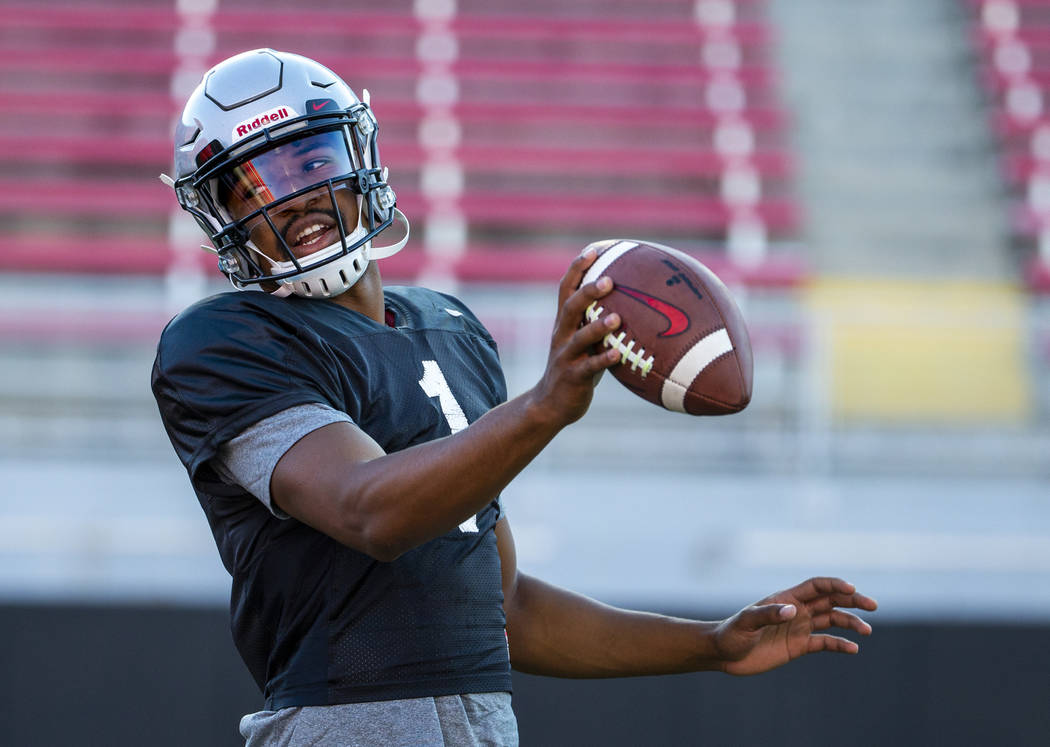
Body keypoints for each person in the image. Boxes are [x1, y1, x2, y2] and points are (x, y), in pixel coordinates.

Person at [152, 49, 877, 746]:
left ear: (359, 156)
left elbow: (510, 610)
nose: (290, 197)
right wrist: (544, 406)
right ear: (219, 217)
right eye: (250, 186)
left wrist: (714, 642)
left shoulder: (454, 330)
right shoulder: (224, 339)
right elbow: (366, 509)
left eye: (309, 160)